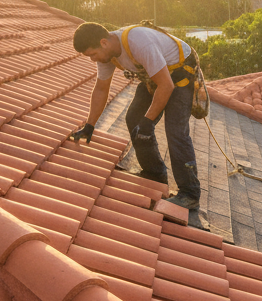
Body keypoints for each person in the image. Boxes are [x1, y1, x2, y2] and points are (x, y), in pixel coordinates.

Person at [71, 22, 201, 209]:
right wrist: (90, 125)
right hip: (156, 74)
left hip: (181, 72)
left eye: (92, 54)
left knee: (175, 131)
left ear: (103, 43)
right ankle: (155, 173)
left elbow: (166, 85)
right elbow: (101, 89)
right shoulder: (107, 55)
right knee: (134, 119)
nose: (93, 59)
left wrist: (148, 122)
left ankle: (190, 193)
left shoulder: (138, 43)